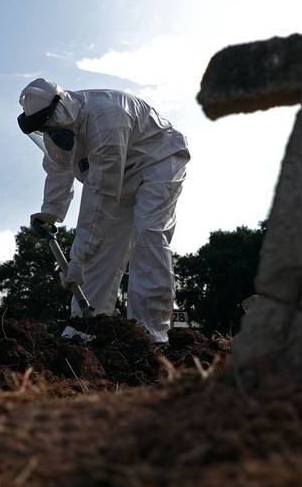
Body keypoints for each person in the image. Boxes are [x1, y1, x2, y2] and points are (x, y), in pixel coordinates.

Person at [17, 78, 190, 343]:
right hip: (118, 178)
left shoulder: (108, 117)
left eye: (49, 126)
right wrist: (50, 212)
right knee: (102, 250)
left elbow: (101, 194)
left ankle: (150, 333)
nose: (49, 134)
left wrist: (78, 257)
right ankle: (84, 331)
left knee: (149, 234)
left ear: (60, 109)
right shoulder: (56, 128)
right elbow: (58, 169)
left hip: (158, 162)